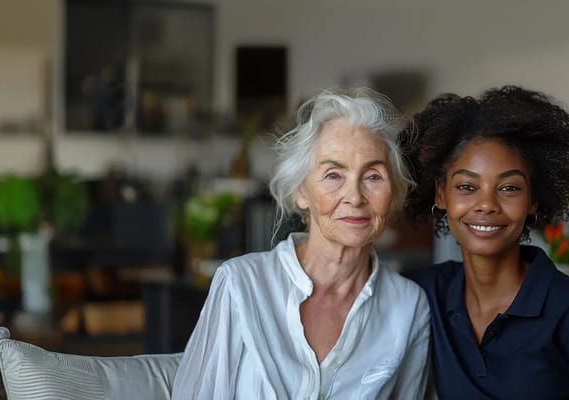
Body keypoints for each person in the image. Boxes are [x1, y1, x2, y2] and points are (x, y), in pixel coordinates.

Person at [173, 88, 431, 399]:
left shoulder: (408, 306)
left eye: (373, 176)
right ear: (301, 191)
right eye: (333, 175)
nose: (355, 196)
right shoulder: (241, 284)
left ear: (394, 193)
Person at [402, 86, 569, 399]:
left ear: (533, 201)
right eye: (467, 187)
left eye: (509, 188)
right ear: (441, 195)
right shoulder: (422, 294)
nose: (487, 204)